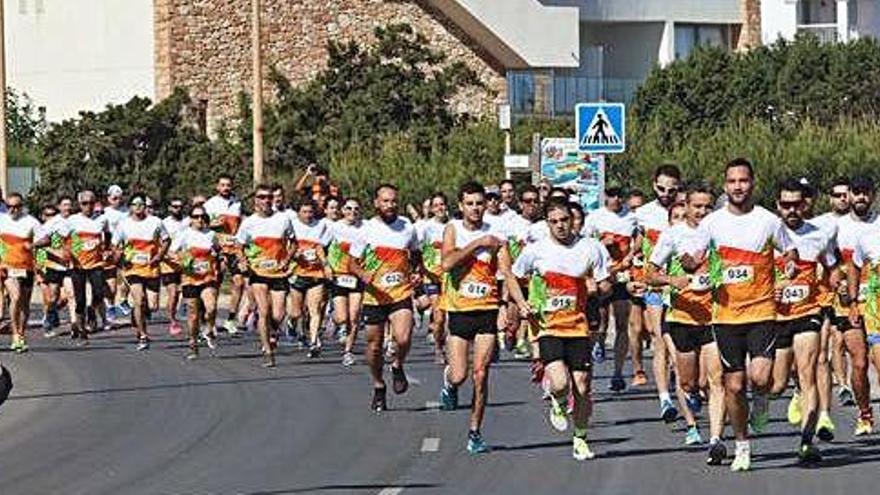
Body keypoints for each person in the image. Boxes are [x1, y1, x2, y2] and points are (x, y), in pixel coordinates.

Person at [683, 158, 796, 472]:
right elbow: (693, 255)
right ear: (725, 185)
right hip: (725, 316)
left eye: (743, 181)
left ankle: (761, 400)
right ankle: (742, 445)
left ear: (752, 183)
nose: (737, 186)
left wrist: (787, 265)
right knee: (733, 386)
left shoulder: (768, 220)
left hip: (761, 310)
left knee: (761, 378)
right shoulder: (712, 223)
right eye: (732, 181)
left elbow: (789, 251)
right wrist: (690, 263)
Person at [508, 197, 612, 461]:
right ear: (547, 223)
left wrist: (598, 288)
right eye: (554, 222)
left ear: (572, 220)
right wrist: (521, 304)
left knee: (583, 387)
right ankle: (555, 397)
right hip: (548, 327)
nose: (560, 226)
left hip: (578, 326)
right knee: (562, 384)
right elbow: (512, 275)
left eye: (564, 220)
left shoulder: (591, 247)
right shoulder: (536, 250)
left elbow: (605, 283)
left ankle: (580, 438)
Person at [647, 183, 725, 457]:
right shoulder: (673, 235)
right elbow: (650, 274)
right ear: (687, 206)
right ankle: (689, 399)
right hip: (681, 317)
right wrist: (673, 280)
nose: (703, 211)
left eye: (707, 206)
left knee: (715, 381)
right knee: (691, 382)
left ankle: (716, 440)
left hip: (715, 317)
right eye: (697, 206)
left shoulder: (722, 232)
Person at [437, 181, 511, 454]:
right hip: (459, 311)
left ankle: (475, 431)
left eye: (480, 203)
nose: (476, 208)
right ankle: (449, 383)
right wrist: (478, 243)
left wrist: (504, 306)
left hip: (487, 310)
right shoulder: (453, 230)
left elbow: (506, 273)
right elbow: (446, 264)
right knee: (460, 375)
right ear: (460, 206)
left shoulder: (497, 233)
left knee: (481, 374)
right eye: (470, 203)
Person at [769, 178, 837, 463]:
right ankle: (780, 396)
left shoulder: (819, 234)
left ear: (805, 204)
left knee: (809, 370)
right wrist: (773, 286)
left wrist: (837, 284)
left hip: (808, 312)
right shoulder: (766, 233)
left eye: (797, 204)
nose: (792, 210)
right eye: (786, 205)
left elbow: (833, 266)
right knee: (775, 385)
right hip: (774, 316)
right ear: (778, 206)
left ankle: (807, 441)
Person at [348, 184, 420, 412]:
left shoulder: (407, 226)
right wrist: (362, 274)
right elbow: (351, 263)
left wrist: (417, 272)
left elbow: (416, 254)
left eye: (394, 201)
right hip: (374, 296)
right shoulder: (366, 230)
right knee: (375, 347)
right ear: (376, 203)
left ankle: (397, 364)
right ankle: (379, 385)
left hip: (400, 292)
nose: (390, 205)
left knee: (403, 338)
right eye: (386, 201)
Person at [581, 187, 642, 396]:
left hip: (622, 276)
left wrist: (631, 254)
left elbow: (639, 238)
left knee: (623, 323)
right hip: (601, 276)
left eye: (619, 196)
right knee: (600, 322)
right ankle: (597, 344)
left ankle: (617, 373)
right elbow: (584, 244)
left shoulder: (631, 218)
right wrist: (601, 243)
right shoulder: (595, 218)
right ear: (605, 197)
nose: (615, 199)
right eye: (611, 195)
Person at [634, 164, 681, 421]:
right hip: (655, 282)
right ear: (654, 185)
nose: (666, 194)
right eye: (661, 189)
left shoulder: (686, 210)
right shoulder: (643, 214)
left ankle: (685, 381)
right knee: (658, 337)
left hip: (682, 283)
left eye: (671, 190)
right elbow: (639, 245)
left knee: (679, 339)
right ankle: (665, 398)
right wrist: (633, 265)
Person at [835, 175, 878, 436]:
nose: (861, 197)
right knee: (859, 362)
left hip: (875, 302)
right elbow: (828, 261)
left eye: (866, 192)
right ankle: (864, 413)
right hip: (847, 304)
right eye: (857, 192)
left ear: (872, 195)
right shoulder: (837, 227)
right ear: (848, 195)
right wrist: (837, 282)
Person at [236, 184, 296, 367]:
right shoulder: (248, 222)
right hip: (258, 272)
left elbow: (293, 242)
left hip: (278, 273)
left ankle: (273, 329)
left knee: (278, 314)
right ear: (255, 200)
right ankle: (268, 351)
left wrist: (287, 258)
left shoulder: (283, 219)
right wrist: (243, 261)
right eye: (261, 197)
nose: (266, 200)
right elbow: (239, 246)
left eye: (269, 197)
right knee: (264, 311)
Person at [113, 193, 170, 350]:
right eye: (134, 204)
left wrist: (159, 256)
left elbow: (166, 240)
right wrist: (118, 256)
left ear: (146, 206)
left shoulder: (156, 222)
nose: (138, 207)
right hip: (132, 269)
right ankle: (143, 335)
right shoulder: (123, 224)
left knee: (152, 306)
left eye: (141, 204)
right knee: (139, 300)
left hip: (151, 267)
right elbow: (114, 245)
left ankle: (136, 315)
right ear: (130, 207)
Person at [170, 205, 222, 359]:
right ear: (190, 219)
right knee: (193, 315)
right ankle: (193, 344)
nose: (199, 220)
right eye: (196, 216)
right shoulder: (184, 234)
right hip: (190, 279)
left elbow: (218, 250)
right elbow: (171, 251)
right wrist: (182, 260)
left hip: (208, 277)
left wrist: (218, 256)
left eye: (202, 217)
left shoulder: (211, 234)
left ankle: (209, 329)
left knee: (211, 307)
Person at [0, 193, 47, 352]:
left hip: (26, 267)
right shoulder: (2, 219)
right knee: (16, 296)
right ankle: (14, 335)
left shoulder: (31, 221)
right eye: (9, 207)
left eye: (16, 207)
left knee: (24, 304)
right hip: (6, 266)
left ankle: (21, 333)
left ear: (22, 206)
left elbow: (46, 239)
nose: (12, 210)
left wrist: (33, 245)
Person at [287, 197, 333, 357]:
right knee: (296, 312)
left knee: (315, 310)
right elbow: (287, 247)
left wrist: (325, 265)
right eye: (304, 212)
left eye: (311, 212)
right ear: (298, 212)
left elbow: (321, 247)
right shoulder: (291, 224)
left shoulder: (321, 225)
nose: (308, 215)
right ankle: (291, 323)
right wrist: (295, 255)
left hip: (315, 273)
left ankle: (314, 342)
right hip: (297, 272)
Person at [68, 191, 110, 344]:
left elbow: (108, 234)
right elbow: (60, 238)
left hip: (96, 263)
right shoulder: (72, 220)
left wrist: (107, 249)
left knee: (99, 293)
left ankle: (92, 309)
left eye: (91, 203)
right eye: (84, 203)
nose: (88, 206)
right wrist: (66, 253)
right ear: (79, 205)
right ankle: (82, 332)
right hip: (77, 265)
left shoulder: (102, 219)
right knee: (79, 300)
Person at [205, 175, 245, 335]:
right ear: (217, 187)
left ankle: (230, 319)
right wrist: (213, 224)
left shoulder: (237, 203)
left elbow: (241, 224)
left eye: (228, 185)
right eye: (222, 185)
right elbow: (202, 225)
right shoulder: (210, 204)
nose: (226, 188)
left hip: (234, 248)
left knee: (239, 283)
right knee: (216, 283)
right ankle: (210, 321)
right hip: (219, 249)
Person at [328, 198, 366, 367]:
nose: (352, 212)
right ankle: (335, 320)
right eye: (349, 208)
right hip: (339, 275)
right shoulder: (333, 227)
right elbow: (320, 247)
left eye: (356, 209)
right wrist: (326, 266)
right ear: (342, 210)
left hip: (357, 276)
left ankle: (348, 352)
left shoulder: (365, 228)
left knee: (355, 315)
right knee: (343, 316)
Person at [416, 192, 449, 363]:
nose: (439, 208)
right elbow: (417, 250)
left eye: (442, 204)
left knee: (452, 316)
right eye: (435, 205)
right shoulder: (425, 227)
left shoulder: (454, 226)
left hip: (451, 277)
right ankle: (438, 348)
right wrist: (419, 270)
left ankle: (452, 346)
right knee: (439, 315)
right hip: (432, 276)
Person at [35, 204, 71, 338]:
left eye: (53, 215)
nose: (51, 218)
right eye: (48, 215)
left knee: (67, 296)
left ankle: (52, 314)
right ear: (43, 216)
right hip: (51, 267)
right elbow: (39, 248)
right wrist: (40, 268)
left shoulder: (64, 227)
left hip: (66, 267)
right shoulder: (42, 231)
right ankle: (49, 322)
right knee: (53, 297)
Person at [161, 198, 187, 336]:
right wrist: (168, 255)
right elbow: (159, 244)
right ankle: (172, 321)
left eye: (180, 206)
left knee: (186, 290)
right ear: (170, 208)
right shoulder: (164, 223)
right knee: (173, 293)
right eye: (175, 206)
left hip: (185, 261)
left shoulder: (188, 221)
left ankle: (185, 311)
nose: (178, 209)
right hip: (168, 264)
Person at [103, 184, 129, 319]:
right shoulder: (104, 213)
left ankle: (123, 299)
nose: (117, 200)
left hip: (125, 248)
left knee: (128, 277)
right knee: (111, 284)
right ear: (108, 198)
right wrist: (106, 249)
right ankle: (110, 305)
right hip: (110, 248)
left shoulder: (127, 212)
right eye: (114, 198)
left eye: (119, 198)